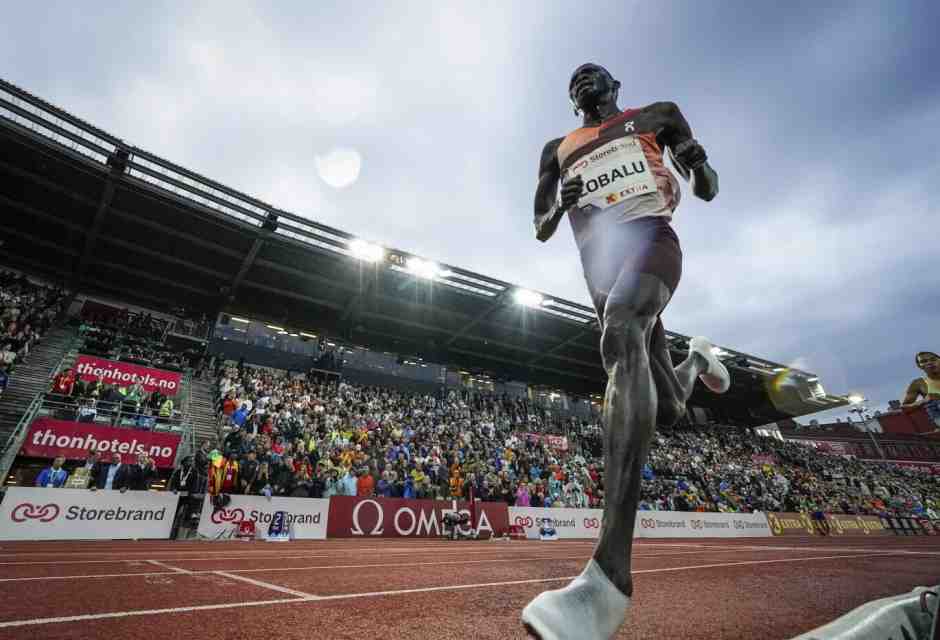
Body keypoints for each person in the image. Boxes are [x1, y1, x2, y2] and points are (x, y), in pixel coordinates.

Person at [521, 63, 731, 640]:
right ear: (572, 103)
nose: (581, 80)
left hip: (650, 241)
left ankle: (608, 576)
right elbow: (539, 225)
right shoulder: (556, 149)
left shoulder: (657, 116)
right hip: (602, 271)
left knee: (620, 331)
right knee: (670, 410)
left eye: (592, 74)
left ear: (614, 86)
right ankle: (696, 360)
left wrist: (698, 162)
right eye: (573, 81)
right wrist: (559, 204)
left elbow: (707, 188)